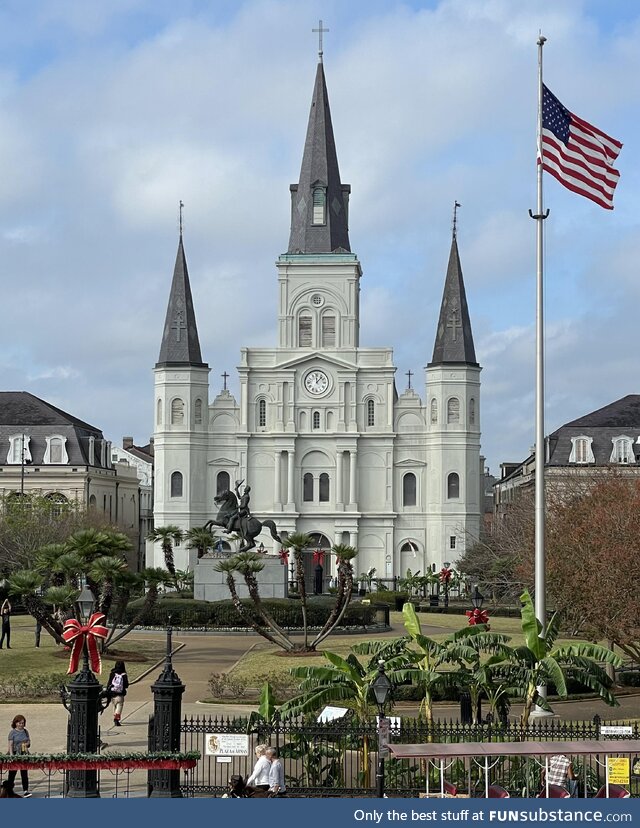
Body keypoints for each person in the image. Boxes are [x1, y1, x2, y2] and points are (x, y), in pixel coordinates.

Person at [7, 714, 31, 796]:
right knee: (12, 774)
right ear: (15, 723)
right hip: (14, 754)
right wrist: (11, 755)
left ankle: (25, 790)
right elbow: (10, 745)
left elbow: (29, 742)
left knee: (24, 773)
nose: (21, 725)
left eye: (23, 723)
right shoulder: (12, 732)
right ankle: (9, 791)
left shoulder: (25, 731)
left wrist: (27, 744)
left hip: (24, 754)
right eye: (20, 723)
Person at [106, 661, 129, 727]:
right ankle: (116, 719)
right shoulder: (124, 675)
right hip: (120, 694)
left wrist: (108, 690)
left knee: (114, 706)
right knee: (119, 706)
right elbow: (126, 685)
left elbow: (109, 683)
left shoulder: (112, 673)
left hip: (112, 693)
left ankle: (115, 716)